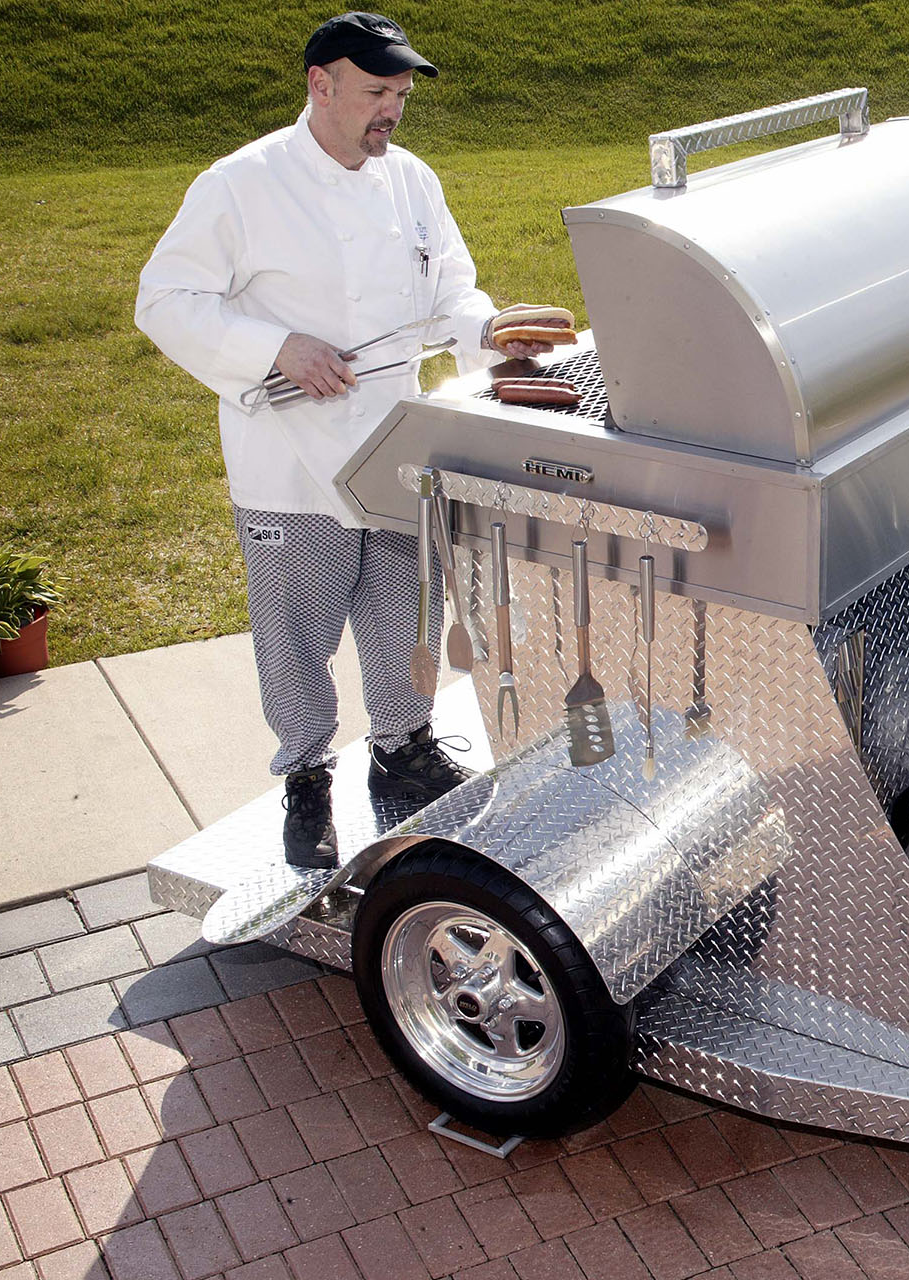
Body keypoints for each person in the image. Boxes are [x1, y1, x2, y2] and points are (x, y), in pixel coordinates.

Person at [136, 12, 569, 868]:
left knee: (403, 610)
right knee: (297, 630)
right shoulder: (240, 184)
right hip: (289, 458)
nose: (392, 112)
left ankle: (401, 750)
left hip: (397, 445)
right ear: (320, 84)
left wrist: (493, 334)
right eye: (376, 92)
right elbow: (165, 300)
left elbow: (451, 293)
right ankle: (304, 778)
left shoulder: (410, 180)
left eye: (401, 95)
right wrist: (275, 348)